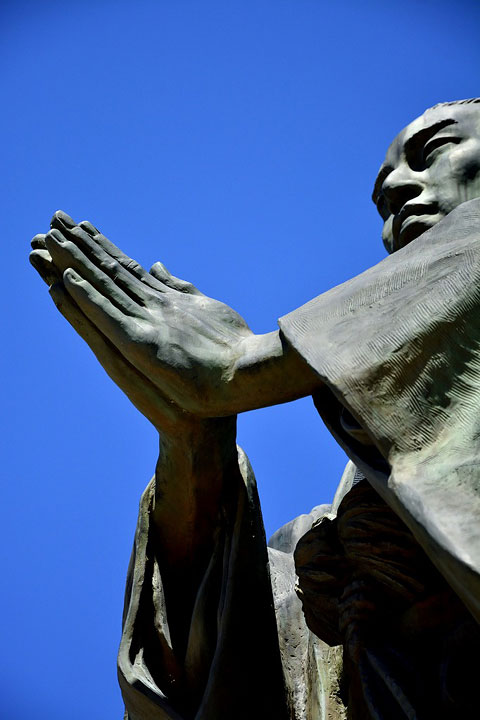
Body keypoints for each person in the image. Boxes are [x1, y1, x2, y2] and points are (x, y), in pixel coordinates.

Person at [30, 98, 480, 719]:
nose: (399, 189)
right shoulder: (339, 520)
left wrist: (244, 364)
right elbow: (220, 679)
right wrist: (193, 449)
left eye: (434, 153)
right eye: (381, 198)